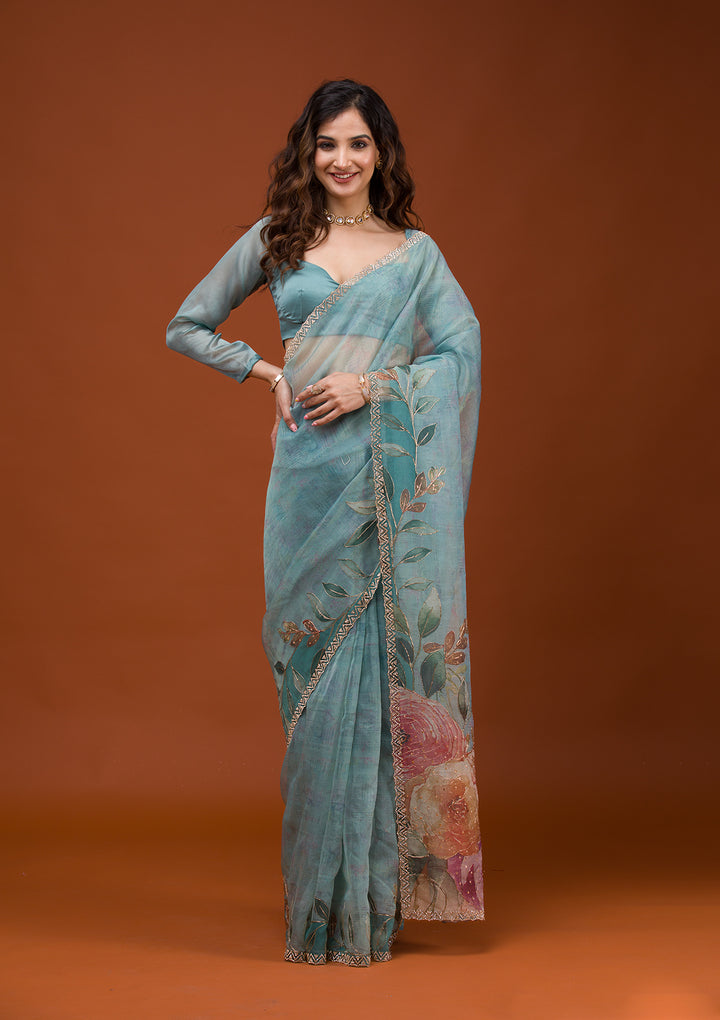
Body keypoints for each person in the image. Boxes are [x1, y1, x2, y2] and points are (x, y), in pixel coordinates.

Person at [166, 79, 484, 967]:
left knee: (379, 680)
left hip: (383, 485)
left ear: (382, 154)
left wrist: (373, 386)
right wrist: (268, 373)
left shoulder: (415, 254)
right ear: (307, 153)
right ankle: (317, 911)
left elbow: (460, 354)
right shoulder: (279, 239)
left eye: (358, 144)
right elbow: (186, 325)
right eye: (327, 144)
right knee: (311, 691)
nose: (342, 160)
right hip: (306, 482)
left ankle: (366, 914)